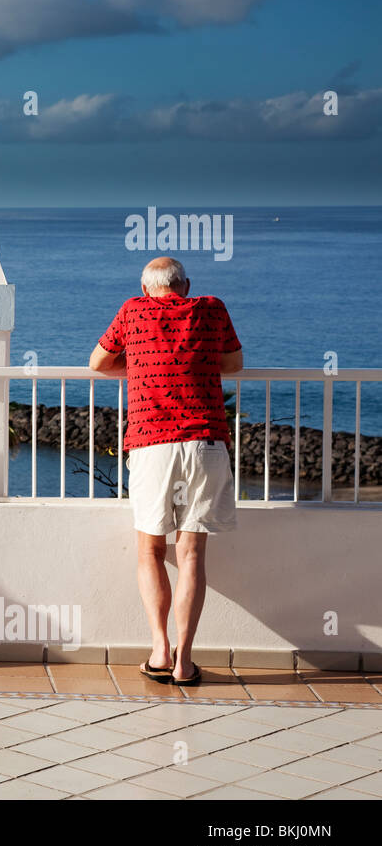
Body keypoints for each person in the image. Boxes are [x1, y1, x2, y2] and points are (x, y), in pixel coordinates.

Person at [89, 257, 243, 687]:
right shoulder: (212, 309)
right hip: (205, 443)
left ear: (144, 288)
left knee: (150, 552)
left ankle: (159, 650)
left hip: (152, 443)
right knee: (191, 555)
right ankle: (185, 661)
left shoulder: (133, 311)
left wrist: (136, 367)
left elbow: (98, 362)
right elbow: (234, 365)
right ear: (187, 285)